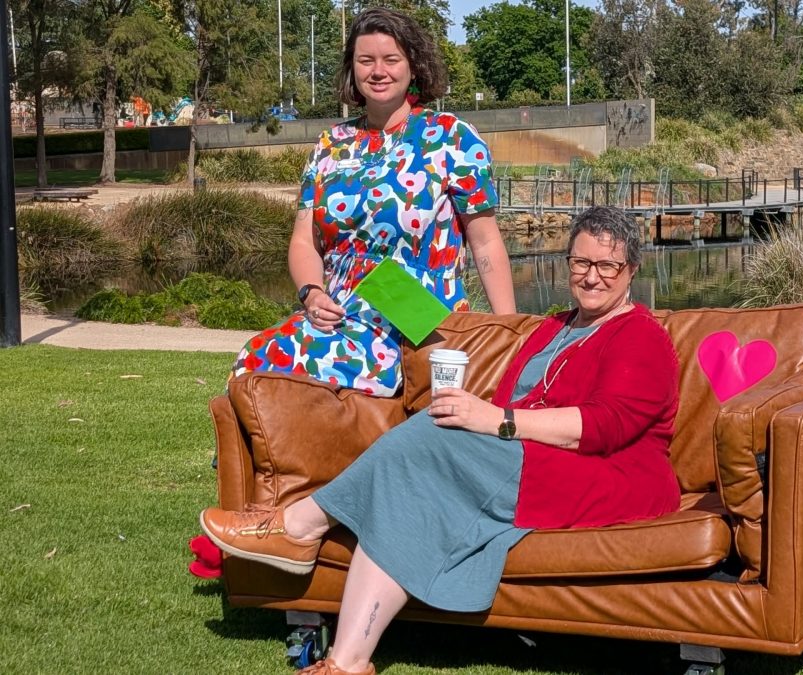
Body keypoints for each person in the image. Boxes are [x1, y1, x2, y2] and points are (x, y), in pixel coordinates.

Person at [201, 206, 680, 675]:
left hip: (606, 475)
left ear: (631, 270)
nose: (592, 276)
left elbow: (602, 428)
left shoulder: (640, 335)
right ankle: (347, 663)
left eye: (607, 265)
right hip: (530, 457)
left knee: (433, 427)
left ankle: (299, 526)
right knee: (406, 489)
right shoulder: (553, 327)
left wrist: (498, 420)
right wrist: (482, 415)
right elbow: (511, 402)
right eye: (581, 262)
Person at [231, 7, 515, 398]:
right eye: (366, 60)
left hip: (417, 315)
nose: (378, 71)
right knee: (252, 361)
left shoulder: (451, 138)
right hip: (339, 311)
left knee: (305, 368)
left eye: (391, 59)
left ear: (413, 66)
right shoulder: (330, 146)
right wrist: (312, 294)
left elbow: (485, 243)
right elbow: (303, 241)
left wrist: (510, 333)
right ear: (353, 68)